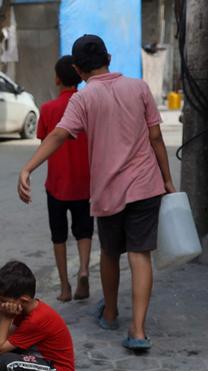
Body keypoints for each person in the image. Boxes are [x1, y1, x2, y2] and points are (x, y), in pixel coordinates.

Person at [18, 34, 174, 352]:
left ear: (77, 69)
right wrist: (168, 180)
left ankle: (112, 312)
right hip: (146, 185)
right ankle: (139, 330)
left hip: (109, 190)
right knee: (140, 255)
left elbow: (59, 135)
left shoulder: (84, 99)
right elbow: (156, 137)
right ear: (109, 58)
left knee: (110, 253)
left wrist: (28, 168)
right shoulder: (139, 87)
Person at [36, 56, 93, 303]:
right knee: (84, 232)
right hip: (85, 182)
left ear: (57, 78)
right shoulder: (88, 104)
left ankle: (65, 287)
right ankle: (83, 270)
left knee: (58, 236)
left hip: (57, 184)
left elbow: (44, 143)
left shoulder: (48, 109)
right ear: (80, 75)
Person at [0, 260, 75, 371]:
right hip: (43, 362)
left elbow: (0, 347)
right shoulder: (25, 310)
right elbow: (6, 341)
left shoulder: (36, 319)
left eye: (2, 299)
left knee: (7, 361)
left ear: (23, 300)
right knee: (0, 355)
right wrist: (5, 313)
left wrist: (4, 315)